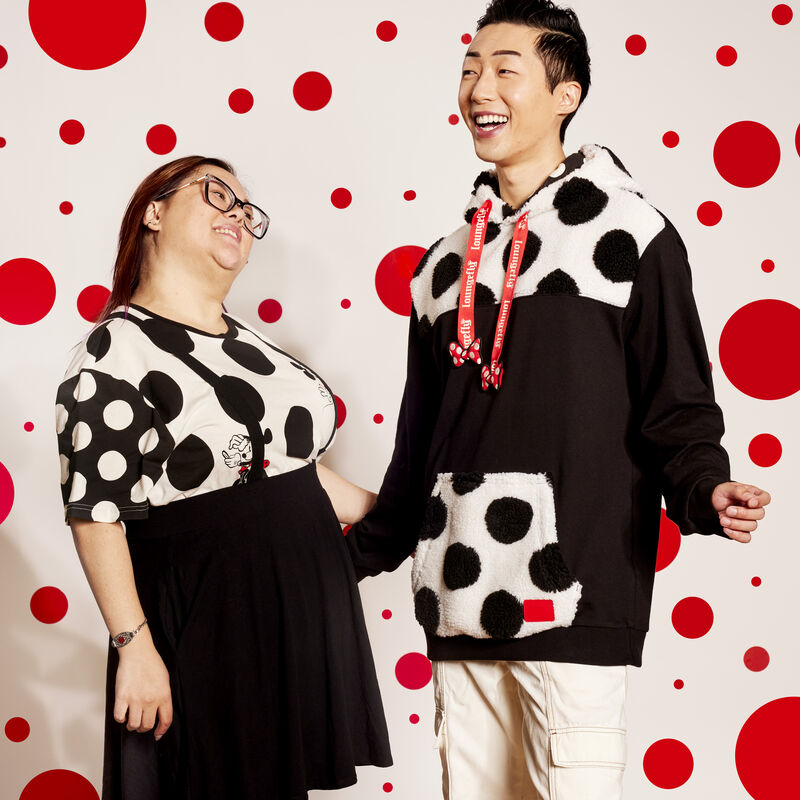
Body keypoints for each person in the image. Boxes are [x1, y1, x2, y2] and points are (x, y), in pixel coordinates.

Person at [344, 2, 771, 798]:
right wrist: (338, 560)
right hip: (459, 599)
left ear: (565, 95)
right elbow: (419, 448)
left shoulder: (632, 234)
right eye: (470, 69)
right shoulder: (440, 269)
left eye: (505, 69)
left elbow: (676, 405)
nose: (480, 87)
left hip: (574, 598)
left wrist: (706, 489)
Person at [55, 155, 392, 800]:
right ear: (154, 213)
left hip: (290, 622)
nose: (237, 212)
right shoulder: (115, 350)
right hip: (209, 619)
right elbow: (96, 512)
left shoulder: (251, 345)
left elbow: (284, 475)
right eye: (216, 194)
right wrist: (135, 648)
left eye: (246, 208)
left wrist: (400, 509)